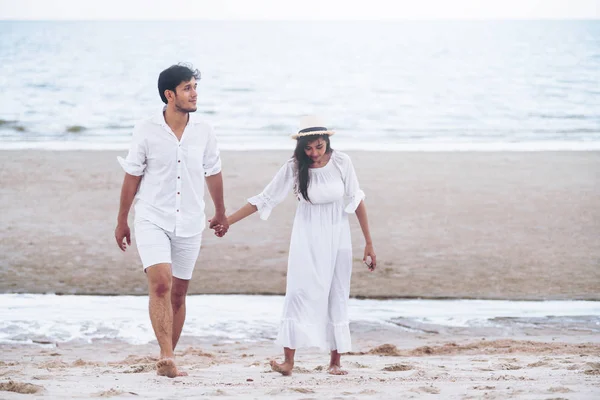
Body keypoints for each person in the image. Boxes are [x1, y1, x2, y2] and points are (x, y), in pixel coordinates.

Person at [214, 115, 376, 376]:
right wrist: (228, 221)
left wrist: (368, 243)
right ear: (301, 146)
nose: (313, 153)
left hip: (338, 236)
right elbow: (265, 198)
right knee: (298, 292)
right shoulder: (294, 166)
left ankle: (335, 362)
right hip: (307, 235)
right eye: (308, 148)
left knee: (337, 292)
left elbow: (356, 201)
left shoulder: (343, 162)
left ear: (327, 142)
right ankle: (288, 362)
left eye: (319, 146)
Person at [114, 63, 228, 378]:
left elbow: (213, 172)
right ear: (170, 94)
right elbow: (132, 176)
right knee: (161, 283)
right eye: (187, 88)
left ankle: (170, 355)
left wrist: (219, 211)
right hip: (152, 217)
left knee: (178, 293)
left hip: (191, 222)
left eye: (195, 87)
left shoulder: (204, 130)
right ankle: (166, 356)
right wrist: (122, 220)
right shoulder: (146, 129)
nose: (194, 94)